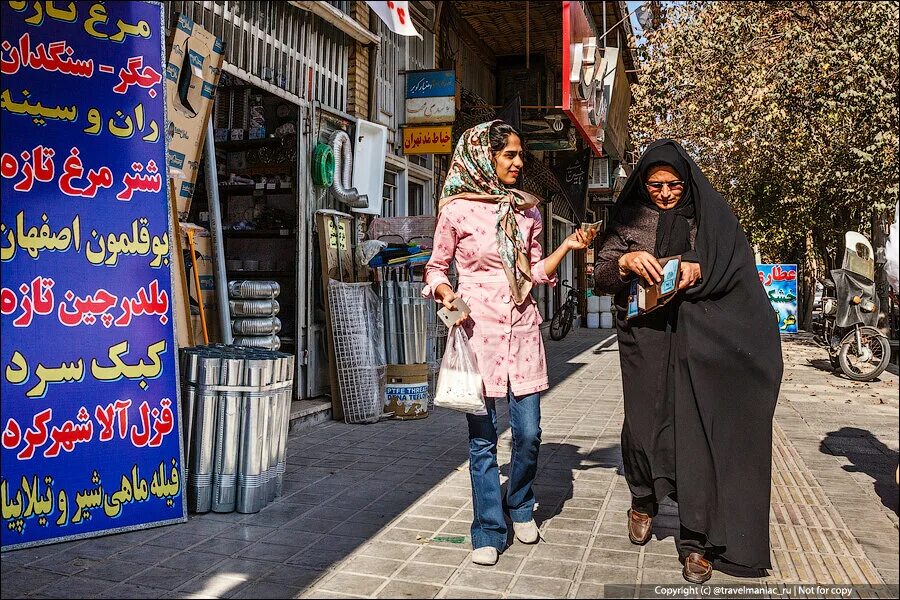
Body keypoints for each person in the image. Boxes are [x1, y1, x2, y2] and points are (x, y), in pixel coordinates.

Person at [593, 140, 783, 583]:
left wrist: (699, 267)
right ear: (642, 182)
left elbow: (731, 265)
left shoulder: (706, 217)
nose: (663, 193)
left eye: (673, 185)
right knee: (642, 428)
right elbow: (600, 275)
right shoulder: (628, 216)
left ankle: (696, 540)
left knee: (693, 437)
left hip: (696, 339)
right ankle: (643, 498)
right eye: (654, 184)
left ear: (687, 182)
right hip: (643, 338)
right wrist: (624, 260)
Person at [424, 120, 595, 566]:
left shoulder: (529, 212)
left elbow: (534, 272)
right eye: (510, 155)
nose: (519, 163)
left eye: (521, 155)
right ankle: (488, 528)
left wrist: (568, 248)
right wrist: (448, 295)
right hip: (476, 335)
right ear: (485, 157)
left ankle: (519, 502)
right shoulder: (456, 211)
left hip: (522, 335)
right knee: (482, 442)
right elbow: (435, 269)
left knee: (529, 433)